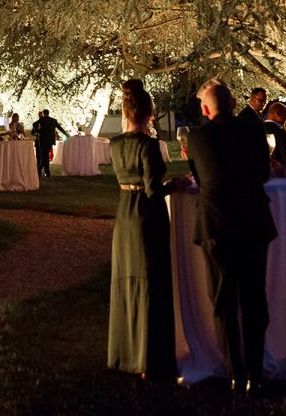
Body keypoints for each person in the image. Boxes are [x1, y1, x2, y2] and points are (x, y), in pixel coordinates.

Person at [188, 78, 276, 394]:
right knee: (254, 298)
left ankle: (235, 373)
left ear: (205, 109)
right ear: (233, 104)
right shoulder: (253, 132)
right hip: (252, 220)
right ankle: (255, 371)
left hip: (217, 223)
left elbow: (200, 179)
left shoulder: (197, 137)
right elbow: (264, 174)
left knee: (224, 301)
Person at [107, 79, 176, 381]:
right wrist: (174, 185)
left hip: (124, 213)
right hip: (146, 216)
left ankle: (124, 352)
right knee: (149, 279)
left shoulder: (115, 145)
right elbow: (152, 189)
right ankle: (149, 357)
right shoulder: (149, 146)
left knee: (126, 280)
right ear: (149, 115)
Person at [32, 109, 69, 178]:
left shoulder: (42, 119)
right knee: (45, 156)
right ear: (48, 113)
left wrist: (38, 131)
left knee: (44, 156)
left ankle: (40, 170)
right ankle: (46, 172)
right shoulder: (53, 120)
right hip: (49, 140)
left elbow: (34, 124)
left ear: (43, 113)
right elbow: (60, 128)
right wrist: (66, 134)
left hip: (42, 140)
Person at [264, 101, 286, 168]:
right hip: (278, 168)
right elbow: (285, 157)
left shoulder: (258, 128)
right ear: (278, 114)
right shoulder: (279, 131)